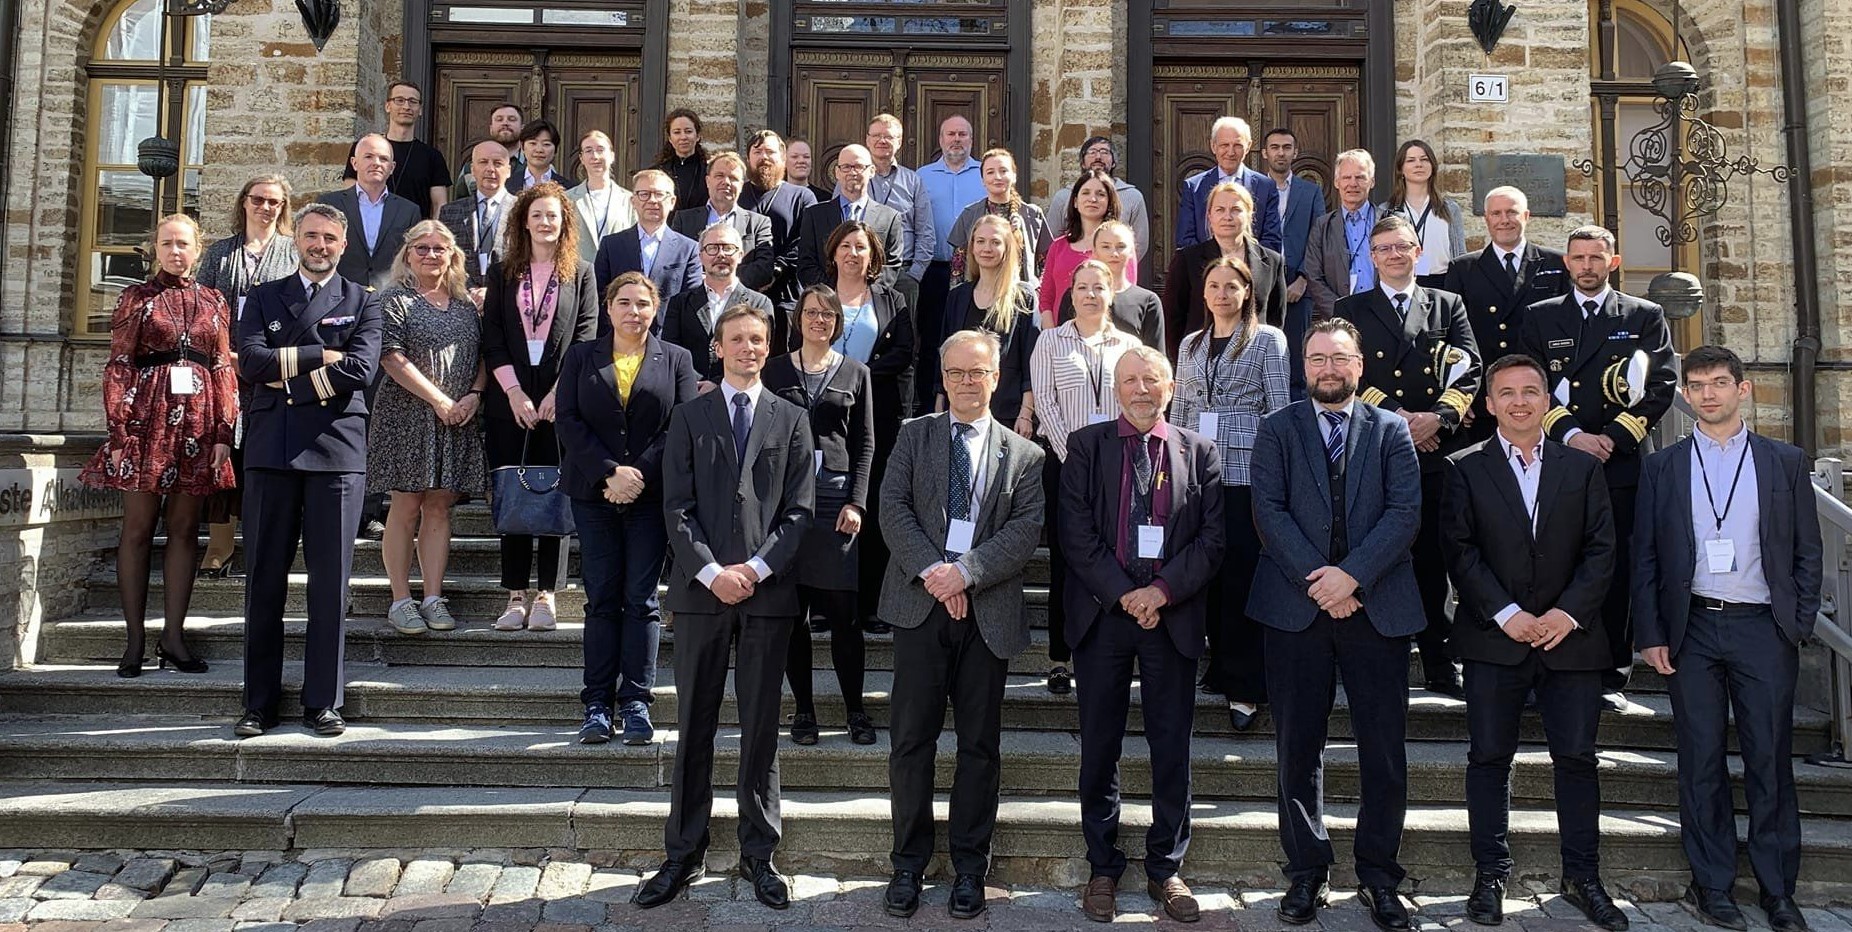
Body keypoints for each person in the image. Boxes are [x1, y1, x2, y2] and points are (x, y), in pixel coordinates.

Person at [633, 304, 814, 912]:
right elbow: (675, 506)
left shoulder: (792, 419)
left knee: (762, 729)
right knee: (696, 728)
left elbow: (799, 511)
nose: (748, 348)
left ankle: (759, 854)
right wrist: (712, 572)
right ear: (718, 346)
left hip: (768, 596)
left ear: (769, 347)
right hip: (701, 593)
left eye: (758, 340)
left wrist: (756, 569)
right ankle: (683, 853)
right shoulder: (690, 417)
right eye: (737, 339)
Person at [1633, 345, 1820, 932]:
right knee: (1702, 760)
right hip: (1691, 629)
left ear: (1744, 390)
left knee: (1770, 759)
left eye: (1719, 382)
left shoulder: (1783, 461)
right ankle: (1712, 885)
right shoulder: (1662, 465)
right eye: (1696, 385)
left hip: (1763, 626)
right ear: (1685, 398)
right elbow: (1645, 557)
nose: (1707, 394)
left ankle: (1776, 890)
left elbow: (1807, 551)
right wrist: (1650, 632)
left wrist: (1800, 621)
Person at [1439, 354, 1626, 930]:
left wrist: (1566, 614)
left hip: (1572, 642)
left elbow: (1602, 549)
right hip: (1496, 641)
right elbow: (1460, 552)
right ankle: (1490, 874)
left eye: (1531, 391)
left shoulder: (1581, 467)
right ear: (1488, 404)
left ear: (1548, 402)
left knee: (1576, 760)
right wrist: (1508, 614)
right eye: (1507, 393)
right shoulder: (1463, 467)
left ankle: (1582, 876)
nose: (1520, 402)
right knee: (1489, 759)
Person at [1248, 318, 1422, 931]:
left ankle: (1379, 875)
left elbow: (1405, 513)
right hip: (1297, 610)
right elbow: (1267, 510)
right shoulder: (1277, 429)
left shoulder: (1391, 429)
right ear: (1304, 365)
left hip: (1376, 608)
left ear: (1359, 366)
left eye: (1340, 358)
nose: (1329, 368)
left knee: (1384, 749)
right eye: (1318, 358)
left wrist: (1352, 577)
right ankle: (1306, 872)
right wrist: (1320, 582)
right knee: (1299, 746)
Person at [878, 329, 1046, 922]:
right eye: (956, 372)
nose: (966, 383)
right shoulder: (913, 436)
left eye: (977, 373)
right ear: (942, 376)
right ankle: (908, 863)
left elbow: (1025, 531)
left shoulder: (1025, 456)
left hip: (988, 613)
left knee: (979, 747)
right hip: (920, 608)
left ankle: (971, 866)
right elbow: (891, 507)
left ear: (997, 378)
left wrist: (966, 574)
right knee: (911, 742)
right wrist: (934, 571)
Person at [1060, 348, 1224, 924]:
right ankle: (1103, 865)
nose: (1140, 388)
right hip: (1103, 617)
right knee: (1099, 745)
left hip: (1170, 619)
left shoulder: (1198, 451)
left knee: (1171, 746)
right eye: (1129, 379)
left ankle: (1165, 867)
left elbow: (1211, 540)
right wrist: (1124, 592)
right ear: (1115, 387)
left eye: (1150, 379)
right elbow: (1074, 531)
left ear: (1171, 386)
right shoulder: (1085, 445)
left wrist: (1160, 592)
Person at [233, 203, 383, 738]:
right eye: (312, 236)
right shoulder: (264, 296)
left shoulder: (364, 302)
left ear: (344, 246)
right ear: (297, 239)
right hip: (271, 451)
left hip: (335, 454)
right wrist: (322, 354)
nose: (320, 245)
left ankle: (324, 701)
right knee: (264, 584)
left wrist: (287, 377)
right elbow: (248, 361)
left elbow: (362, 369)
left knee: (330, 586)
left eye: (330, 238)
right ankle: (259, 703)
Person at [1518, 225, 1676, 711]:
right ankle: (1543, 664)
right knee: (1551, 560)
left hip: (1619, 461)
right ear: (1566, 263)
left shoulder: (1644, 315)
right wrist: (1571, 434)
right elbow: (1528, 380)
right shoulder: (1540, 317)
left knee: (1616, 563)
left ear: (1614, 260)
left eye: (1596, 257)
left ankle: (1611, 672)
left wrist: (1614, 437)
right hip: (1557, 458)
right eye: (1578, 257)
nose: (1587, 266)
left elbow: (1662, 383)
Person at [80, 213, 237, 677]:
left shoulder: (214, 299)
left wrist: (225, 431)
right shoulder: (137, 298)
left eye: (183, 244)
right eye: (167, 243)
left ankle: (174, 636)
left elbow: (224, 368)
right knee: (138, 527)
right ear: (155, 248)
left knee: (186, 530)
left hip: (197, 424)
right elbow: (119, 364)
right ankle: (133, 640)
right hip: (146, 420)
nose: (175, 251)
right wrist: (118, 431)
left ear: (197, 249)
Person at [1335, 214, 1480, 698]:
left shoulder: (1448, 305)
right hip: (1378, 448)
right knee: (1380, 552)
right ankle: (1379, 658)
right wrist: (1403, 421)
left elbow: (1470, 368)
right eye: (1384, 249)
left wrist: (1437, 418)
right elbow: (1345, 374)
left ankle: (1442, 661)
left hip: (1440, 450)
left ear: (1418, 252)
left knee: (1436, 556)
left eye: (1402, 247)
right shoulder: (1350, 308)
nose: (1394, 256)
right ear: (1371, 257)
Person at [555, 272, 699, 747]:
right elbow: (569, 420)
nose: (633, 312)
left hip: (650, 496)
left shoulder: (677, 359)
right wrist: (607, 472)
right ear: (609, 307)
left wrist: (636, 475)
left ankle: (636, 701)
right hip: (592, 494)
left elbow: (681, 423)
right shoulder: (580, 356)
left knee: (642, 600)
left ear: (654, 309)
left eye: (642, 304)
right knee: (600, 598)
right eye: (624, 303)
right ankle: (596, 703)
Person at [1167, 255, 1290, 729]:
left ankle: (1246, 686)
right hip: (1197, 477)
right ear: (1203, 294)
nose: (1222, 294)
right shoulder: (1191, 344)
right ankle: (1216, 668)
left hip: (1245, 474)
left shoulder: (1267, 341)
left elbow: (1279, 411)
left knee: (1241, 577)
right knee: (1207, 578)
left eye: (1231, 286)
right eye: (1214, 285)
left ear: (1247, 293)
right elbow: (1179, 412)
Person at [480, 182, 601, 633]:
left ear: (564, 222)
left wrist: (556, 394)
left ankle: (548, 594)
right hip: (509, 399)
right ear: (523, 221)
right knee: (514, 493)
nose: (545, 223)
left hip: (560, 401)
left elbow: (587, 336)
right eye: (537, 215)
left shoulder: (582, 273)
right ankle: (514, 594)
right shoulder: (503, 272)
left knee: (556, 494)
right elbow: (491, 336)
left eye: (553, 216)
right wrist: (513, 392)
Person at [766, 285, 877, 746]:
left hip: (834, 502)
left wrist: (856, 501)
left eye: (828, 315)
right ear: (798, 318)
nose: (819, 321)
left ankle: (856, 710)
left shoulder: (856, 372)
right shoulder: (773, 371)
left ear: (837, 323)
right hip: (786, 502)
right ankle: (805, 711)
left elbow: (866, 443)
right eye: (811, 313)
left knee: (844, 616)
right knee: (794, 616)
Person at [366, 220, 487, 637]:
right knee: (406, 505)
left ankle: (433, 596)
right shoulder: (394, 299)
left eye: (440, 248)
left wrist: (473, 394)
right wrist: (438, 400)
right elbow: (391, 357)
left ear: (453, 255)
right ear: (408, 254)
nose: (431, 255)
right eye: (422, 248)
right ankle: (401, 599)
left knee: (439, 506)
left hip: (458, 414)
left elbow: (483, 355)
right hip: (408, 412)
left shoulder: (466, 303)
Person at [1030, 260, 1142, 695]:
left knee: (1116, 556)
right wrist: (1076, 459)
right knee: (1066, 561)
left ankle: (1108, 649)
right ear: (1070, 293)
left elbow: (1139, 400)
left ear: (1111, 292)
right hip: (1066, 467)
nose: (1091, 294)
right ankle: (1060, 657)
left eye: (1099, 287)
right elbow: (1045, 402)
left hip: (1121, 467)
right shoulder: (1050, 342)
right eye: (1082, 287)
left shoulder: (1128, 345)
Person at [196, 175, 300, 577]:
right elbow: (202, 310)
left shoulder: (293, 253)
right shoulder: (222, 253)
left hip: (274, 372)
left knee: (266, 458)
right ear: (244, 202)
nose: (266, 208)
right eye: (258, 199)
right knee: (224, 456)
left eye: (274, 202)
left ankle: (265, 543)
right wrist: (224, 356)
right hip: (224, 369)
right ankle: (219, 546)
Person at [823, 220, 916, 636]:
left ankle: (873, 604)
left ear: (873, 255)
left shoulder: (891, 299)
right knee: (828, 502)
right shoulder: (818, 297)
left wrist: (859, 376)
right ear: (833, 252)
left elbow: (904, 351)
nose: (852, 253)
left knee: (874, 504)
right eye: (845, 245)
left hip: (877, 411)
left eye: (860, 247)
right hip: (825, 415)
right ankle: (826, 602)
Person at [1441, 186, 1571, 447]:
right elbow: (1452, 340)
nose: (1504, 220)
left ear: (1526, 216)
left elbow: (1568, 329)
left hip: (1545, 394)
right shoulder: (1464, 268)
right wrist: (1460, 398)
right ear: (1486, 219)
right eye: (1496, 213)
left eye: (1511, 212)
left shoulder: (1556, 264)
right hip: (1485, 397)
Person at [929, 213, 1038, 429]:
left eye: (995, 242)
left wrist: (1026, 412)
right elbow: (944, 355)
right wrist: (940, 400)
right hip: (960, 410)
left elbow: (1030, 359)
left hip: (1008, 412)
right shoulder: (957, 297)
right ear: (971, 247)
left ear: (1007, 249)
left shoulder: (1023, 297)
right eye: (980, 241)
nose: (986, 248)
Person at [1163, 180, 1287, 357]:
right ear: (1209, 216)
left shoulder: (1273, 262)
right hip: (1202, 359)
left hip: (1256, 360)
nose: (1227, 217)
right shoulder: (1187, 260)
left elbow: (1276, 318)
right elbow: (1173, 318)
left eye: (1236, 210)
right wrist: (1180, 362)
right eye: (1220, 210)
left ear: (1249, 215)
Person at [662, 223, 775, 384]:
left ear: (741, 255)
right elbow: (672, 352)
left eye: (728, 248)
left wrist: (718, 384)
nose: (720, 254)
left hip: (739, 391)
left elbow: (762, 355)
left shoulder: (760, 304)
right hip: (690, 393)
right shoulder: (679, 304)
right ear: (700, 256)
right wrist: (697, 383)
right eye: (712, 248)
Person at [1259, 127, 1325, 397]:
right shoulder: (1253, 188)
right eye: (1274, 147)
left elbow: (1318, 236)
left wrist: (1303, 278)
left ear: (1295, 152)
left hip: (1299, 286)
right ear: (1264, 153)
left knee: (1297, 361)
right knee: (1262, 353)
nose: (1281, 152)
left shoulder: (1310, 192)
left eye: (1286, 147)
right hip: (1261, 286)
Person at [740, 130, 821, 337]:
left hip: (786, 296)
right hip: (740, 293)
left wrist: (775, 271)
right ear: (748, 158)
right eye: (757, 152)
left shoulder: (802, 197)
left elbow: (804, 243)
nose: (764, 157)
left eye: (770, 151)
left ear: (783, 158)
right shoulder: (738, 194)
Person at [318, 133, 421, 291]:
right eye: (368, 157)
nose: (376, 163)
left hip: (390, 298)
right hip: (340, 295)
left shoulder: (409, 211)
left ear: (392, 168)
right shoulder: (330, 204)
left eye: (383, 159)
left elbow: (411, 261)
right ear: (354, 163)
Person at [592, 169, 703, 314]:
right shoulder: (611, 245)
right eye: (644, 194)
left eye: (659, 194)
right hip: (620, 332)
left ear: (672, 202)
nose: (652, 200)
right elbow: (600, 297)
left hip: (667, 335)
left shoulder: (688, 249)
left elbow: (691, 301)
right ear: (633, 201)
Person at [796, 143, 905, 288]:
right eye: (846, 167)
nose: (852, 172)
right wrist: (836, 292)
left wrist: (863, 292)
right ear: (837, 172)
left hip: (870, 302)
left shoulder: (890, 218)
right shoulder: (814, 215)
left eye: (859, 167)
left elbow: (891, 265)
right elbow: (806, 263)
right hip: (826, 301)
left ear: (872, 171)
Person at [917, 115, 986, 339]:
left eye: (962, 134)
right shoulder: (922, 176)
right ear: (941, 139)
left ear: (971, 140)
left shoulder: (984, 174)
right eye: (951, 134)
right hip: (933, 270)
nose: (956, 139)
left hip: (974, 270)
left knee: (970, 332)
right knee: (931, 336)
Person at [340, 81, 450, 218]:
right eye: (399, 100)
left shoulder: (432, 156)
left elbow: (439, 205)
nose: (406, 106)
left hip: (415, 234)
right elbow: (350, 196)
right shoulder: (363, 148)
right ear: (387, 106)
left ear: (420, 109)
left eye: (413, 101)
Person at [670, 150, 775, 292]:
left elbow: (764, 269)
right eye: (719, 176)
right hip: (694, 302)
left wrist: (720, 280)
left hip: (741, 305)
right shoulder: (684, 220)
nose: (726, 182)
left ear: (742, 185)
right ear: (707, 181)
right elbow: (675, 263)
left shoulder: (759, 223)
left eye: (733, 178)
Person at [946, 148, 1050, 291]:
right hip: (979, 295)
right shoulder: (969, 215)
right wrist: (957, 299)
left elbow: (1047, 264)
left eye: (1003, 171)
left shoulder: (1033, 215)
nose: (997, 177)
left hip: (1022, 298)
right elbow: (958, 267)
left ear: (1014, 176)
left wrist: (1039, 296)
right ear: (983, 180)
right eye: (990, 172)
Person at [862, 113, 937, 311]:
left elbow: (926, 231)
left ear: (899, 142)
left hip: (903, 275)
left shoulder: (913, 181)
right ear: (867, 140)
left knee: (904, 337)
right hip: (860, 274)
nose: (882, 140)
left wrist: (915, 274)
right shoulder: (852, 178)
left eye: (888, 136)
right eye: (876, 135)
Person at [1174, 116, 1282, 252]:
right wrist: (1218, 266)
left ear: (1248, 147)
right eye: (1224, 145)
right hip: (1205, 270)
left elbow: (1272, 240)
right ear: (1213, 146)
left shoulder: (1266, 187)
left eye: (1237, 145)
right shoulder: (1194, 187)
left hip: (1251, 270)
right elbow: (1185, 239)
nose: (1230, 152)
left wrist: (1242, 263)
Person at [1039, 168, 1133, 317]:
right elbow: (1046, 297)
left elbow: (1127, 294)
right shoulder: (1058, 246)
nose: (1093, 199)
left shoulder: (1121, 248)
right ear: (1075, 201)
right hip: (1060, 334)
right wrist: (1051, 331)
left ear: (1109, 202)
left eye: (1100, 194)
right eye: (1086, 193)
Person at [1058, 222, 1163, 349]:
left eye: (1121, 246)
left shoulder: (1148, 301)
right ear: (1094, 251)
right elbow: (1062, 344)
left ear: (1131, 252)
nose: (1114, 253)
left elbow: (1155, 358)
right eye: (1106, 247)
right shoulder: (1077, 295)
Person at [1046, 135, 1151, 262]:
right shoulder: (1063, 197)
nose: (1098, 157)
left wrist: (1120, 264)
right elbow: (1052, 239)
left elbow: (1139, 243)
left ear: (1113, 163)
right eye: (1092, 152)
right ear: (1082, 163)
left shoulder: (1133, 196)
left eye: (1104, 152)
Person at [1304, 149, 1380, 320]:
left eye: (1360, 177)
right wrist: (1341, 311)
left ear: (1372, 182)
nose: (1353, 184)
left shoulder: (1388, 221)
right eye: (1346, 177)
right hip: (1339, 320)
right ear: (1337, 182)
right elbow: (1313, 276)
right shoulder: (1322, 226)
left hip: (1383, 315)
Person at [438, 139, 517, 298]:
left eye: (497, 163)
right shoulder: (450, 212)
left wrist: (492, 292)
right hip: (461, 300)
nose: (490, 169)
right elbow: (445, 258)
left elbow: (527, 259)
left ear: (508, 170)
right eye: (483, 162)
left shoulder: (522, 210)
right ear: (473, 170)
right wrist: (470, 292)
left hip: (507, 300)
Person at [1385, 139, 1467, 285]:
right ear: (1401, 169)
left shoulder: (1449, 208)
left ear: (1432, 166)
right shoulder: (1387, 210)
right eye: (1411, 160)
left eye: (1424, 159)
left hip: (1445, 283)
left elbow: (1460, 254)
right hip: (1403, 283)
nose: (1418, 165)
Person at [565, 131, 638, 265]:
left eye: (600, 150)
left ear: (611, 156)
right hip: (579, 275)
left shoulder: (630, 200)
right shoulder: (567, 199)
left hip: (617, 274)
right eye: (588, 151)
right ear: (581, 158)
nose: (595, 156)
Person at [452, 103, 524, 199]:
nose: (505, 123)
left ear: (522, 128)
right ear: (491, 129)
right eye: (499, 119)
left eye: (512, 119)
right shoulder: (471, 167)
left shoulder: (534, 165)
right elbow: (460, 204)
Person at [653, 107, 710, 210]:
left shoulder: (709, 171)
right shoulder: (657, 172)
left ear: (697, 136)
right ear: (670, 138)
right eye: (677, 132)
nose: (683, 137)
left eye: (688, 131)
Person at [508, 119, 567, 193]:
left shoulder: (568, 188)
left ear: (555, 150)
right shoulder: (507, 185)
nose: (539, 150)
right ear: (522, 147)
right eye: (533, 143)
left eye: (546, 144)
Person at [784, 137, 835, 206]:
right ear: (784, 161)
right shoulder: (775, 196)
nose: (801, 161)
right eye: (795, 156)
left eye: (806, 157)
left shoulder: (826, 199)